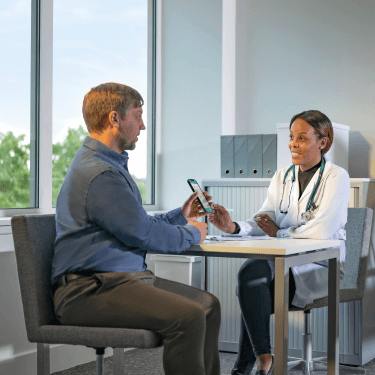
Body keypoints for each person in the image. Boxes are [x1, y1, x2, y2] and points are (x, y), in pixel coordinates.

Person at [50, 82, 221, 375]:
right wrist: (195, 231)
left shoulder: (109, 166)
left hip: (120, 281)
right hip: (88, 291)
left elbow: (138, 224)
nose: (142, 126)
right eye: (138, 116)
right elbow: (145, 235)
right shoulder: (100, 173)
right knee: (189, 316)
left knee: (208, 305)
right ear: (114, 119)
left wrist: (181, 216)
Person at [208, 110, 350, 375]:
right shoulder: (282, 176)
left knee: (250, 287)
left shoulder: (336, 177)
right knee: (251, 280)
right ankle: (263, 360)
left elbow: (322, 230)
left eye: (302, 138)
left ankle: (244, 367)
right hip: (283, 263)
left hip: (320, 266)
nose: (293, 144)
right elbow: (264, 220)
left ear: (323, 141)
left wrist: (279, 234)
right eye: (291, 137)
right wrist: (234, 227)